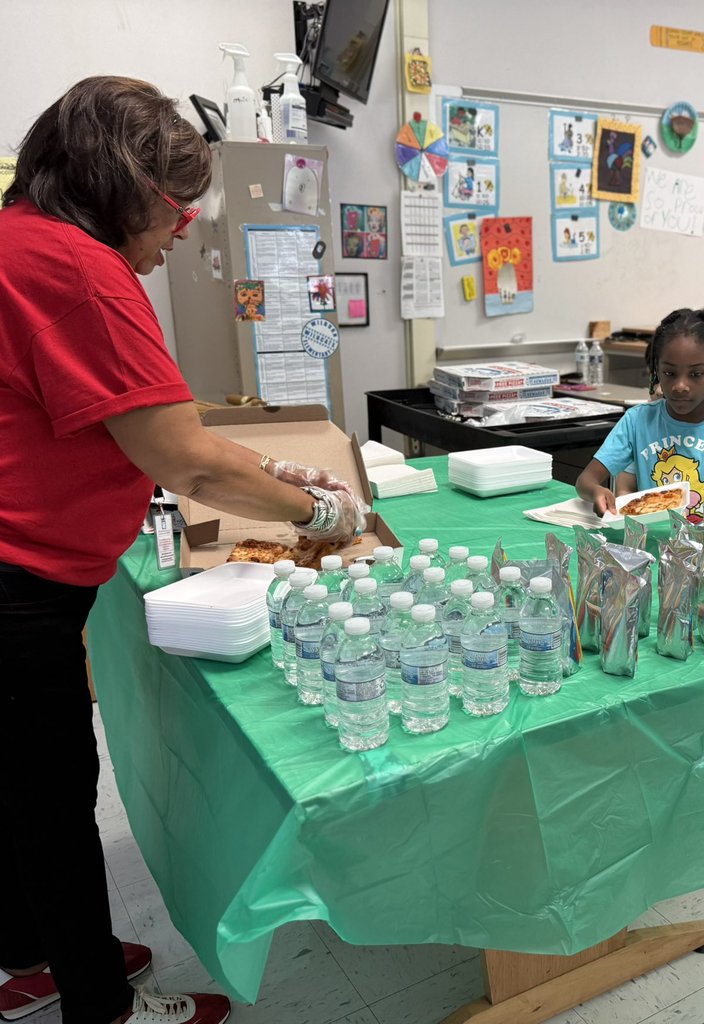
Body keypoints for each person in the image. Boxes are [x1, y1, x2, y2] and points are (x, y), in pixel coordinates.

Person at [0, 77, 367, 1024]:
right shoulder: (80, 272)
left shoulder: (17, 242)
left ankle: (29, 952)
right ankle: (100, 1006)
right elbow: (182, 457)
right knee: (48, 802)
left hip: (25, 572)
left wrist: (261, 463)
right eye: (178, 209)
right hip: (16, 589)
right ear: (123, 190)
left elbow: (154, 428)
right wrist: (315, 513)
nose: (186, 234)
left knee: (14, 796)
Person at [576, 308, 704, 520]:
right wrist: (598, 491)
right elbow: (585, 481)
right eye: (669, 373)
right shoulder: (637, 421)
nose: (680, 386)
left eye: (696, 374)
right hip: (651, 546)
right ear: (656, 369)